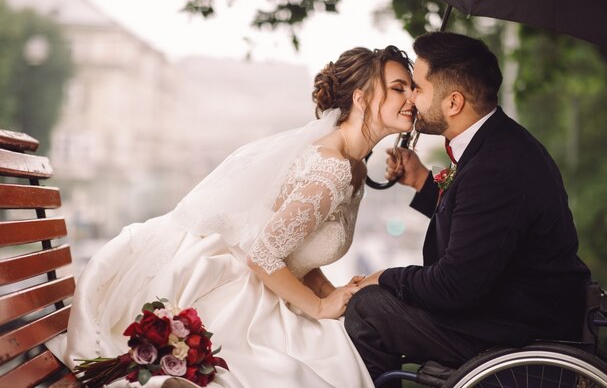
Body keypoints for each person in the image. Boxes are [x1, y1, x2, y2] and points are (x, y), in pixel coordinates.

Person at [46, 45, 417, 388]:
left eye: (412, 88)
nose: (411, 98)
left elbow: (298, 248)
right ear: (361, 97)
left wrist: (331, 292)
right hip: (240, 291)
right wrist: (319, 307)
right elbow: (262, 253)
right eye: (399, 88)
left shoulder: (352, 167)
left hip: (269, 279)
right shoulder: (332, 168)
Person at [344, 32, 592, 385]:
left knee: (368, 310)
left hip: (515, 330)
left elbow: (453, 286)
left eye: (418, 88)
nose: (411, 98)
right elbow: (485, 231)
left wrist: (383, 277)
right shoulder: (498, 141)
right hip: (509, 308)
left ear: (453, 103)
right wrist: (422, 184)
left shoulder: (496, 166)